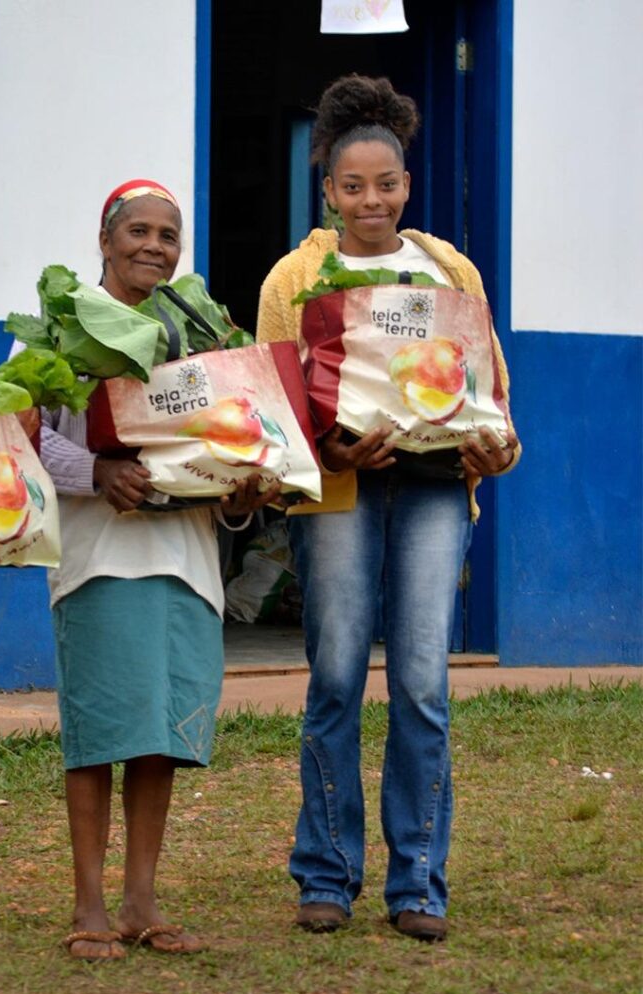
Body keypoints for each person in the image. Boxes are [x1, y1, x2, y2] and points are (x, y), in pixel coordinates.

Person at [256, 76, 520, 942]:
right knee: (335, 676)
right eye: (352, 185)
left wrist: (499, 449)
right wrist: (329, 451)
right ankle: (326, 873)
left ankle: (418, 884)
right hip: (341, 487)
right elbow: (272, 404)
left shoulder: (450, 270)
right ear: (328, 188)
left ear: (408, 184)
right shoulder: (296, 278)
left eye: (386, 184)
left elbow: (490, 389)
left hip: (438, 485)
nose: (371, 200)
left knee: (421, 681)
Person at [40, 180, 278, 960]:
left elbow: (230, 440)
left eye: (167, 235)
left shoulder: (204, 334)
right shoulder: (62, 326)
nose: (153, 245)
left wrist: (240, 494)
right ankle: (89, 906)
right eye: (137, 231)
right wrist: (94, 471)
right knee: (99, 735)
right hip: (100, 559)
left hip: (189, 562)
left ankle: (140, 901)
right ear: (104, 240)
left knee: (159, 737)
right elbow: (19, 430)